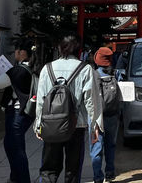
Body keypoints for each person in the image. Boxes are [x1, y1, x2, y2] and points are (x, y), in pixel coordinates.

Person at [35, 34, 103, 183]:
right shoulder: (85, 69)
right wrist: (95, 125)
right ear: (78, 50)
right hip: (76, 125)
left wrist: (38, 124)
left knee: (48, 169)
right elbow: (91, 100)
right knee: (73, 169)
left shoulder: (47, 69)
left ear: (60, 48)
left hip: (51, 124)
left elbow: (41, 99)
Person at [0, 38, 37, 183]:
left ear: (22, 53)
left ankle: (21, 179)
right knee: (12, 145)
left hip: (17, 113)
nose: (15, 53)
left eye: (16, 51)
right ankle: (15, 177)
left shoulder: (18, 70)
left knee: (15, 148)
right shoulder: (32, 68)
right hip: (25, 113)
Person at [90, 47, 120, 183]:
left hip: (97, 116)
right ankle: (110, 172)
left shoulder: (94, 74)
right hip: (112, 114)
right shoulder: (116, 74)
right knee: (110, 145)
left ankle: (97, 177)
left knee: (96, 147)